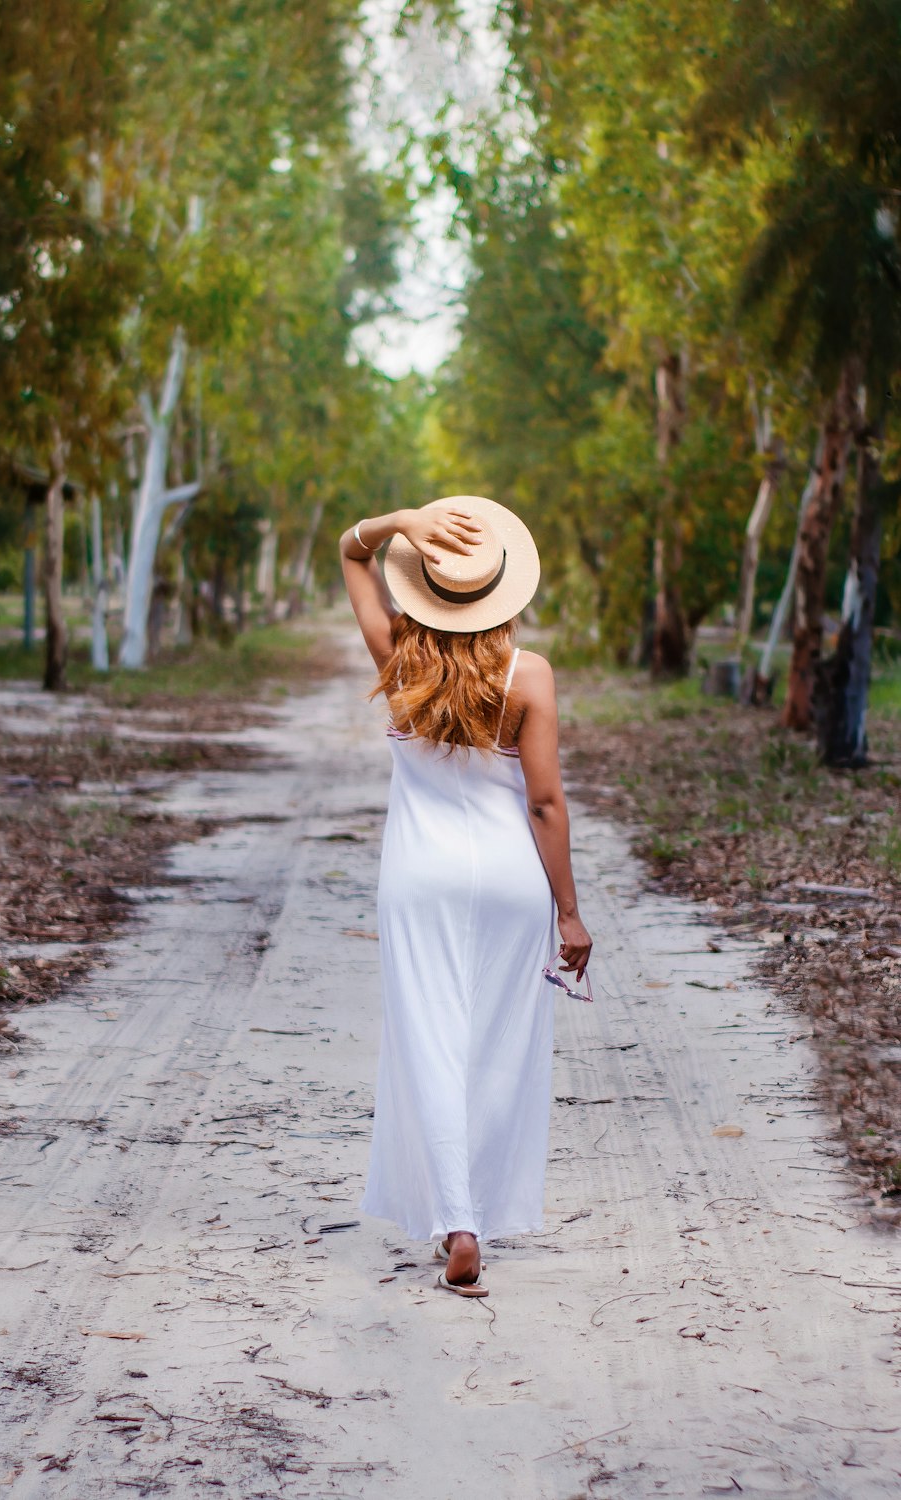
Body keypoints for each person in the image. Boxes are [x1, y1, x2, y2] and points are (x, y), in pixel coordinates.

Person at [339, 496, 592, 1298]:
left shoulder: (398, 659)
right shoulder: (531, 676)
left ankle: (460, 1223)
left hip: (418, 880)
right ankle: (474, 1204)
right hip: (512, 882)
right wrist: (570, 910)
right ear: (503, 589)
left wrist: (397, 523)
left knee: (429, 1042)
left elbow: (349, 556)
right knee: (499, 1046)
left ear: (421, 587)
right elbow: (545, 802)